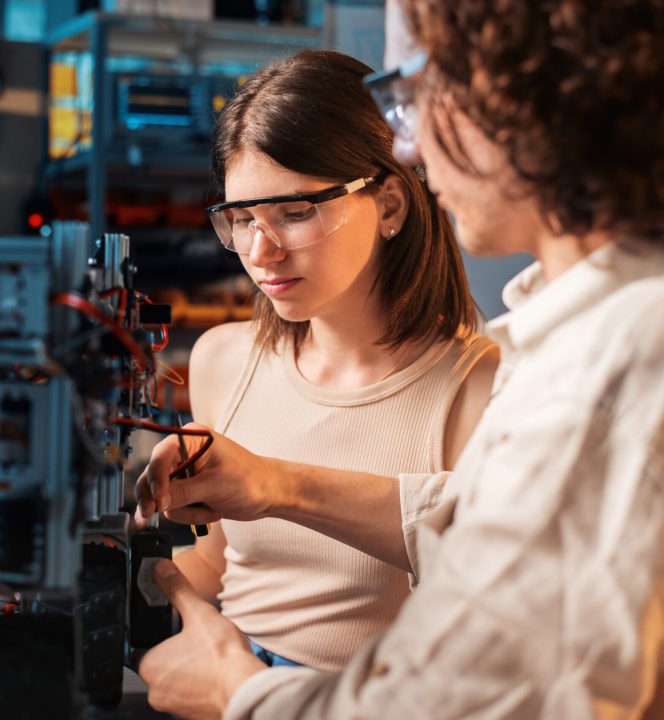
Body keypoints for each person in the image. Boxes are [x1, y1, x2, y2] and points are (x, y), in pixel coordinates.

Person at [137, 0, 664, 717]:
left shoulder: (602, 369)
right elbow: (483, 519)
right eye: (242, 220)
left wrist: (238, 690)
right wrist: (270, 488)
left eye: (413, 90)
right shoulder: (575, 340)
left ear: (514, 89)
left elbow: (452, 699)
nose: (408, 146)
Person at [138, 49, 497, 672]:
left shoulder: (478, 385)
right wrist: (112, 586)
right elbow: (223, 563)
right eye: (240, 217)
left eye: (295, 213)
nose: (261, 250)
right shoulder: (224, 360)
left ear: (389, 204)